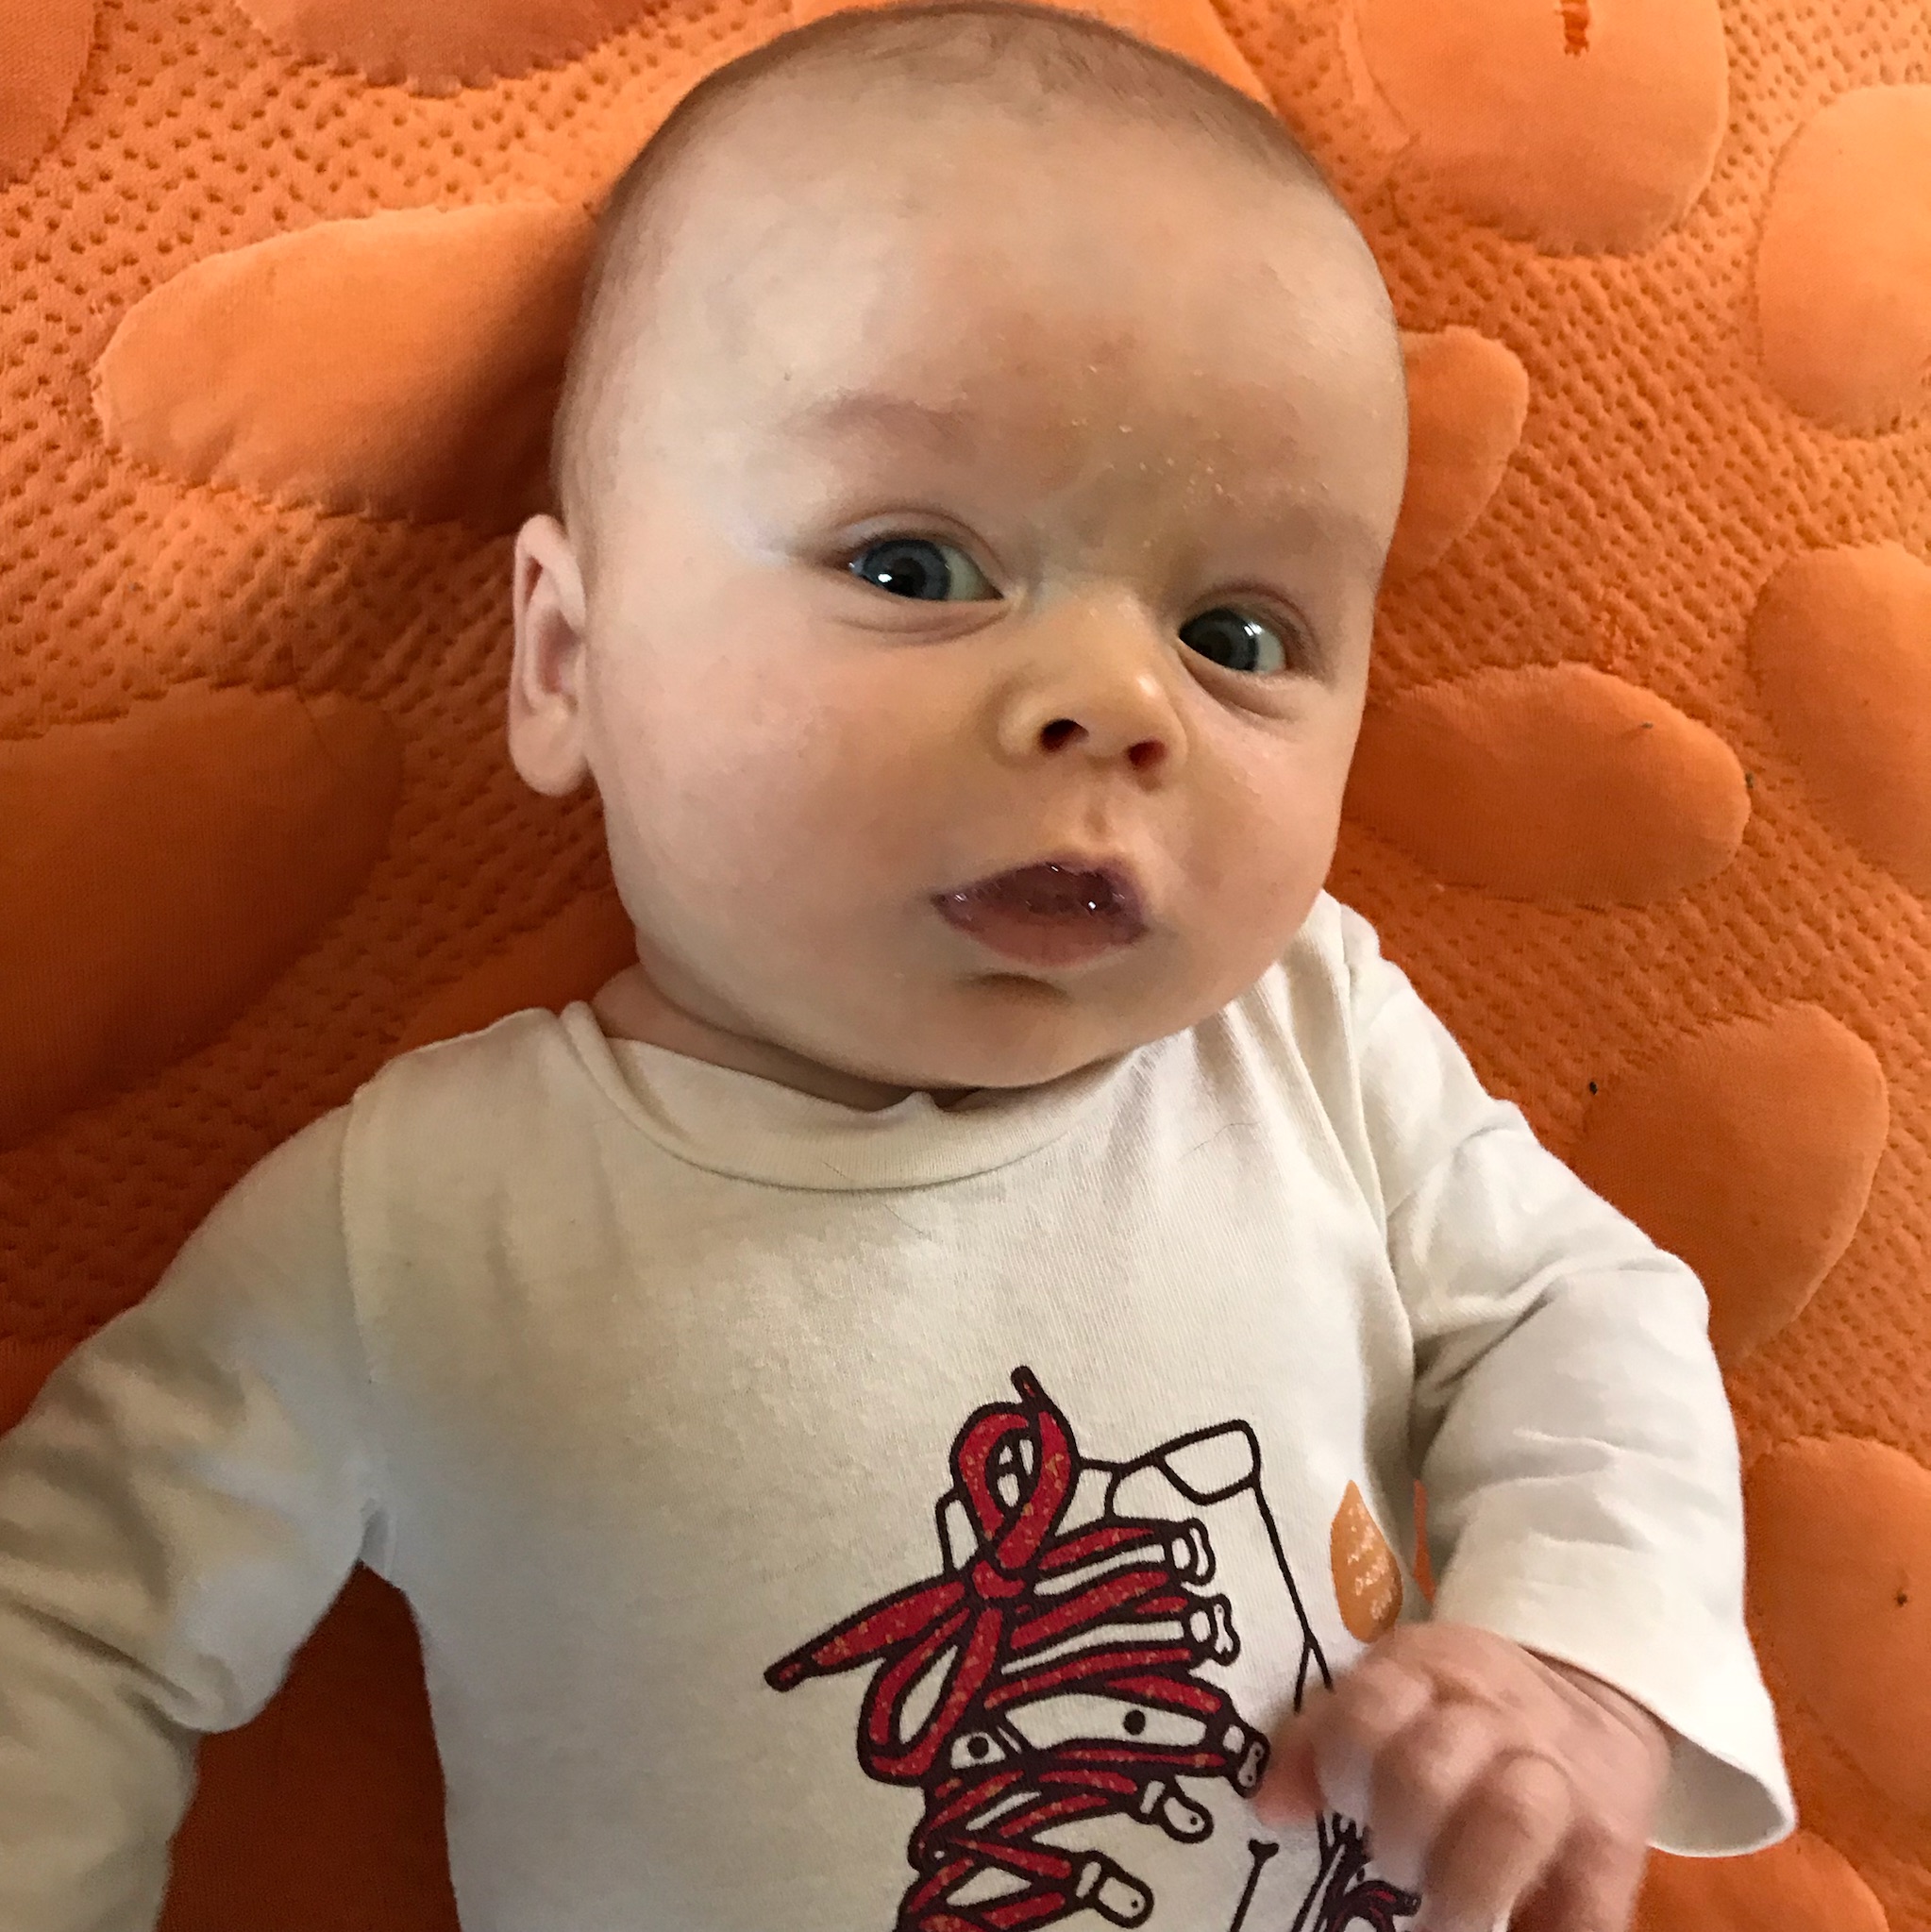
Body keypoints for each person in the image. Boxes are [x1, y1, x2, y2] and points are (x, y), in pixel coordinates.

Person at [0, 5, 1793, 1930]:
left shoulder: (1307, 1037)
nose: (1115, 702)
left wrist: (1573, 1659)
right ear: (565, 659)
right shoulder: (428, 1221)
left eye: (1238, 634)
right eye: (913, 567)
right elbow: (72, 1623)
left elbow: (1582, 1312)